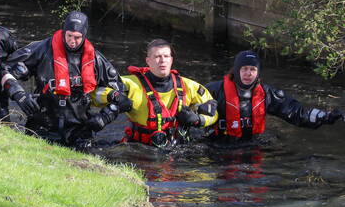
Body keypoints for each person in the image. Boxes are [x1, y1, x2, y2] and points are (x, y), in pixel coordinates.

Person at [6, 11, 124, 146]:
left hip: (79, 132)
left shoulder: (96, 60)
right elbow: (6, 69)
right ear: (63, 31)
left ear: (84, 35)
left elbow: (122, 95)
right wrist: (20, 95)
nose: (72, 41)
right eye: (69, 36)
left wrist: (105, 117)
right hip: (42, 126)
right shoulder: (42, 49)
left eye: (77, 37)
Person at [95, 39, 217, 147]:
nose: (162, 60)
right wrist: (114, 96)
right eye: (157, 57)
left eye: (166, 56)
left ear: (171, 60)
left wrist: (198, 120)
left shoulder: (189, 86)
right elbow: (95, 95)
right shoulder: (131, 84)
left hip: (179, 148)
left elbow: (214, 112)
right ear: (148, 61)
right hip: (139, 148)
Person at [204, 50, 343, 140]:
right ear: (236, 70)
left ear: (258, 72)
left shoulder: (267, 94)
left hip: (251, 146)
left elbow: (295, 113)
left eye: (253, 69)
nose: (248, 73)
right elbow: (191, 108)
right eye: (244, 69)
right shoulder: (214, 90)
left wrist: (326, 116)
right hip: (218, 147)